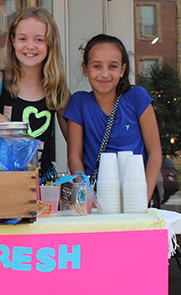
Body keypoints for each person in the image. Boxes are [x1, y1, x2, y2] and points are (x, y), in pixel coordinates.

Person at [63, 34, 162, 201]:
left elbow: (155, 153)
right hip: (96, 198)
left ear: (122, 70)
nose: (104, 74)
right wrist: (88, 199)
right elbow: (75, 157)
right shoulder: (79, 102)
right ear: (85, 69)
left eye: (113, 66)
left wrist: (142, 200)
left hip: (134, 196)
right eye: (97, 66)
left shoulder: (137, 97)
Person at [0, 7, 69, 184]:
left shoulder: (57, 89)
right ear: (13, 41)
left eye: (39, 39)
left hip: (42, 184)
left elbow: (75, 144)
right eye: (23, 39)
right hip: (2, 183)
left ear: (50, 43)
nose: (30, 46)